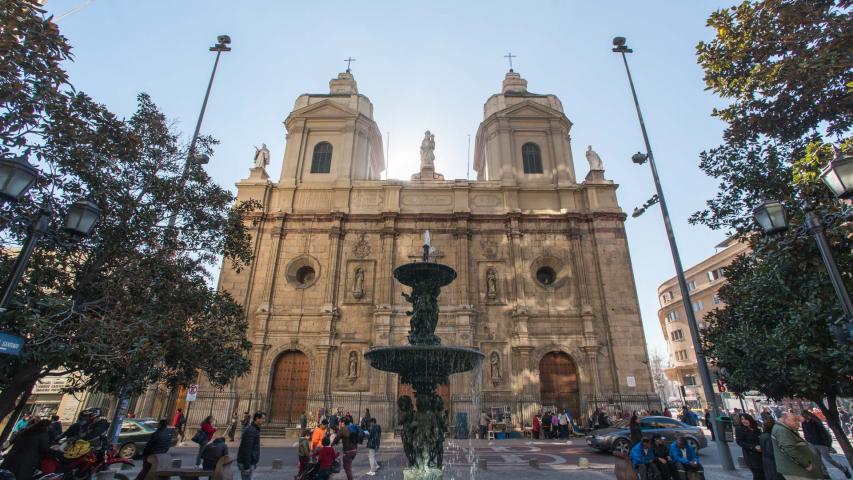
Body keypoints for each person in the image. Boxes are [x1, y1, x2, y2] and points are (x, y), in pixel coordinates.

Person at [771, 411, 822, 480]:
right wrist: (806, 464)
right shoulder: (781, 430)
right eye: (795, 420)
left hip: (797, 470)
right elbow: (789, 449)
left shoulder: (783, 428)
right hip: (797, 471)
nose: (798, 423)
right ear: (785, 419)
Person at [802, 410, 851, 478]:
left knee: (828, 459)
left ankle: (844, 469)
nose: (802, 417)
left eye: (803, 415)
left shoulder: (815, 422)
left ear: (807, 415)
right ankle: (826, 475)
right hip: (812, 444)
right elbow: (805, 433)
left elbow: (824, 433)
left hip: (821, 444)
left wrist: (828, 445)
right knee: (818, 461)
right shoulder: (804, 423)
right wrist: (808, 440)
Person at [736, 413, 765, 480]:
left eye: (746, 419)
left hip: (761, 454)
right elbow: (739, 442)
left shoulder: (755, 427)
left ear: (750, 419)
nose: (744, 421)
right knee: (758, 475)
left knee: (763, 473)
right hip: (751, 455)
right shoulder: (740, 429)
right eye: (742, 419)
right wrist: (753, 447)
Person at [237, 412, 265, 480]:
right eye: (263, 418)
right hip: (247, 463)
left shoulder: (254, 429)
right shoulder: (251, 431)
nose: (264, 420)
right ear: (257, 419)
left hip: (250, 462)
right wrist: (247, 467)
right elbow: (247, 449)